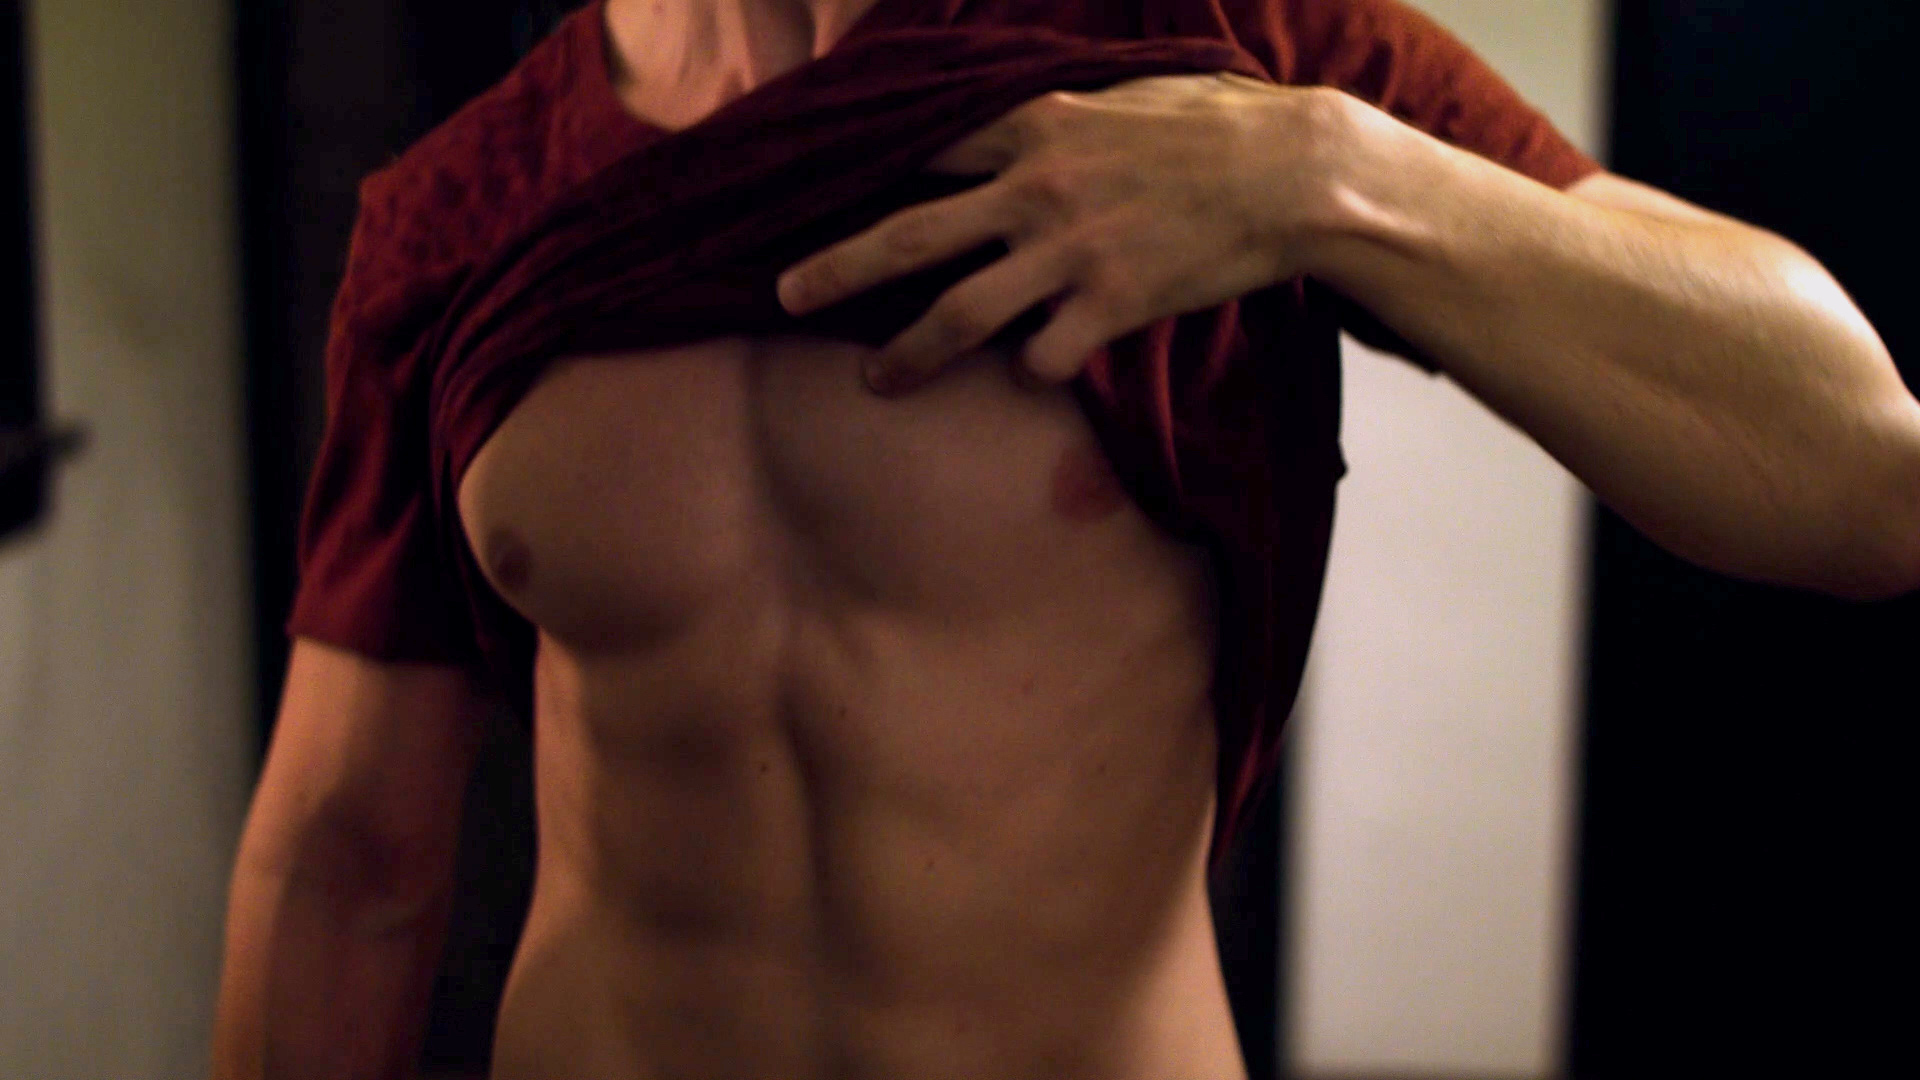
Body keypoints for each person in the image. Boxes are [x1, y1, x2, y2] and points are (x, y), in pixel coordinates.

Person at [209, 1, 1918, 1078]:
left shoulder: (1228, 55)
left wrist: (1326, 175)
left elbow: (1866, 472)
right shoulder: (466, 206)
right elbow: (346, 854)